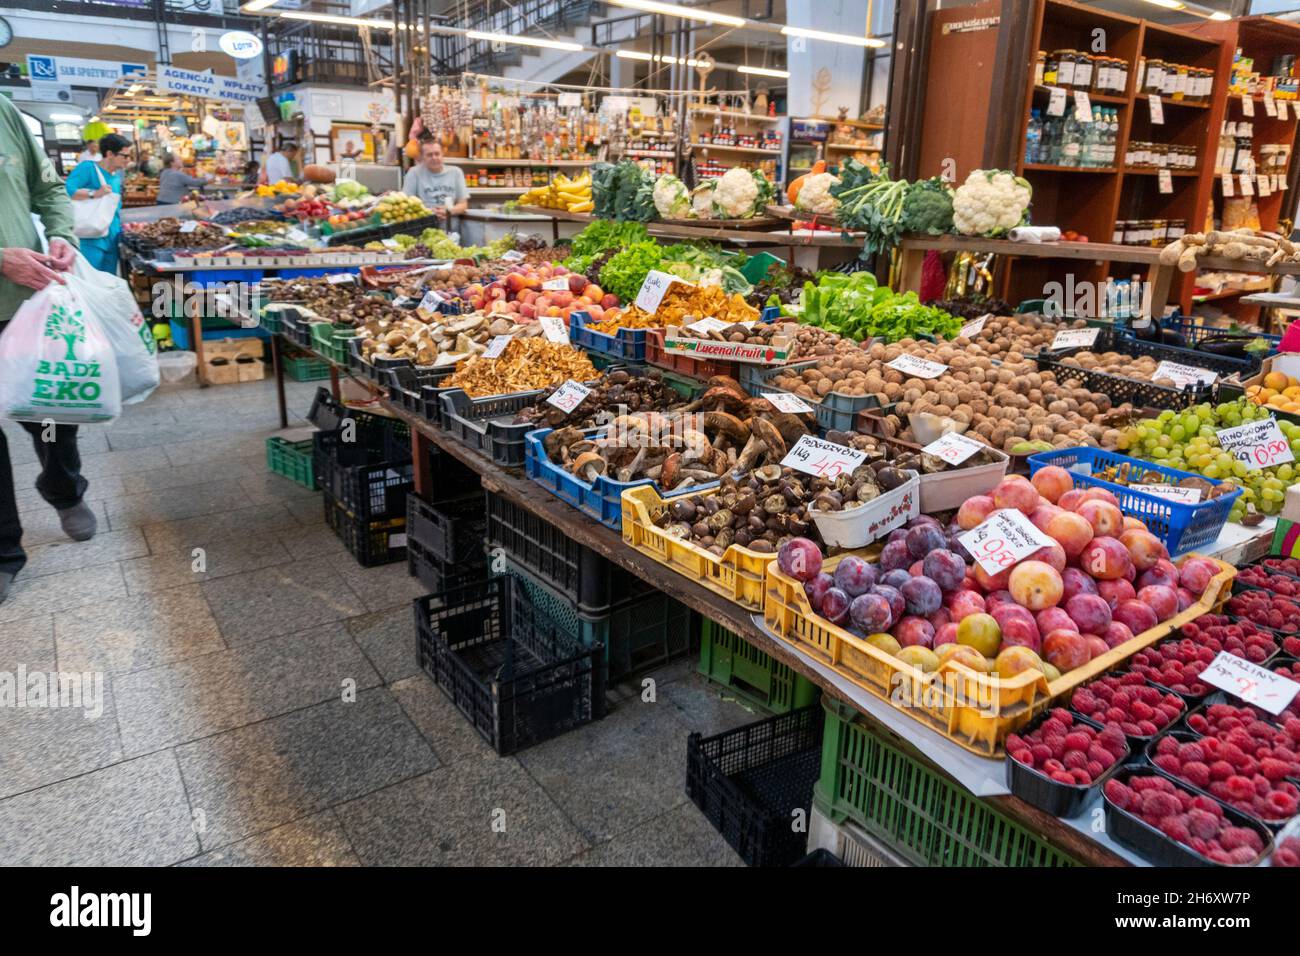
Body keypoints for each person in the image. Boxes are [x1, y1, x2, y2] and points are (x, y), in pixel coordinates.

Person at [0, 95, 96, 605]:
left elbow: (47, 186)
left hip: (23, 300)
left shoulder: (3, 110)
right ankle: (2, 553)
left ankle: (63, 489)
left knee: (54, 410)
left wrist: (60, 234)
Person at [65, 132, 129, 274]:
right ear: (110, 154)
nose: (128, 160)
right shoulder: (88, 168)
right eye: (124, 156)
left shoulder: (116, 177)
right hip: (91, 238)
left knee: (108, 280)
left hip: (112, 238)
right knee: (91, 279)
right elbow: (66, 191)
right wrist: (94, 193)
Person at [402, 138, 469, 224]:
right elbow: (406, 205)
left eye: (437, 154)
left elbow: (463, 204)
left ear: (443, 154)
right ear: (422, 157)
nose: (434, 158)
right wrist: (429, 212)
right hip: (423, 227)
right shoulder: (414, 173)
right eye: (429, 155)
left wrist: (449, 211)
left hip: (452, 229)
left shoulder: (456, 172)